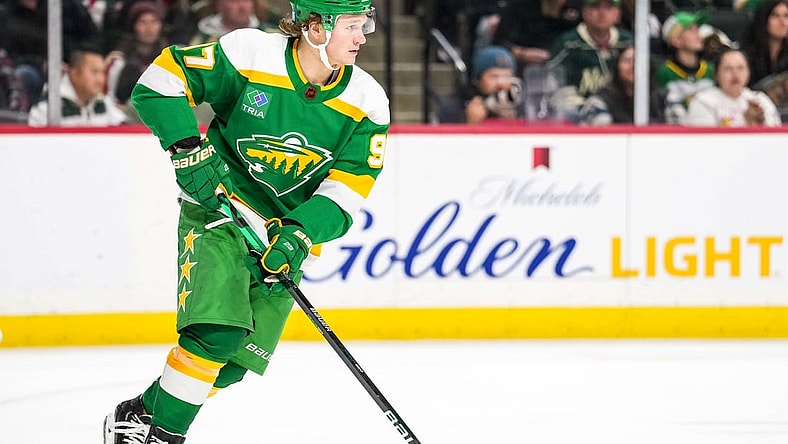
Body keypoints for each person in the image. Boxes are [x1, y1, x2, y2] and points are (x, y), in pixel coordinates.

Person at [102, 0, 389, 443]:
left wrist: (299, 232)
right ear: (315, 27)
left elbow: (347, 192)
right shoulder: (252, 54)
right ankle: (163, 436)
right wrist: (184, 148)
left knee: (234, 364)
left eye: (364, 25)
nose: (363, 36)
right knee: (216, 334)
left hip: (283, 236)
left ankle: (142, 413)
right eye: (353, 26)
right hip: (219, 209)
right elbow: (159, 82)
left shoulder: (368, 102)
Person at [545, 0, 634, 122]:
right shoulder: (568, 43)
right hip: (578, 112)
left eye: (609, 8)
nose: (602, 13)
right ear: (585, 12)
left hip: (619, 108)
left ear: (618, 14)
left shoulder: (628, 42)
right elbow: (550, 78)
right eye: (595, 7)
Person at [27, 48, 128, 126]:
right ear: (74, 74)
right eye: (94, 72)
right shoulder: (47, 107)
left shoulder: (103, 103)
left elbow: (125, 129)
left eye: (102, 72)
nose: (100, 79)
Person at [105, 1, 170, 121]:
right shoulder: (119, 61)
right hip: (128, 119)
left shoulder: (170, 58)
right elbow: (109, 97)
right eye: (143, 22)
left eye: (154, 22)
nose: (149, 28)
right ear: (133, 26)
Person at [683, 48, 782, 126]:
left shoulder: (760, 100)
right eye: (728, 69)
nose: (735, 74)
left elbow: (776, 138)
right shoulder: (703, 102)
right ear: (716, 74)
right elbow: (705, 143)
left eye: (740, 68)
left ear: (749, 72)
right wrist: (746, 123)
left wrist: (758, 123)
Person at [656, 11, 716, 124]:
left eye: (697, 29)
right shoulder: (664, 72)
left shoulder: (710, 70)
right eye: (691, 30)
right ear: (676, 40)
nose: (698, 34)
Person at [437, 45, 523, 124]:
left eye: (507, 77)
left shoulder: (522, 106)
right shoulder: (455, 108)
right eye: (494, 77)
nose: (501, 83)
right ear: (477, 80)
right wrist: (471, 123)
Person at [579, 44, 663, 124]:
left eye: (639, 61)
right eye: (627, 61)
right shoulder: (599, 102)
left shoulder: (660, 100)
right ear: (617, 67)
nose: (633, 66)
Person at [739, 0, 788, 87]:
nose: (783, 22)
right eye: (776, 16)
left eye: (786, 16)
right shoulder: (747, 55)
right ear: (763, 20)